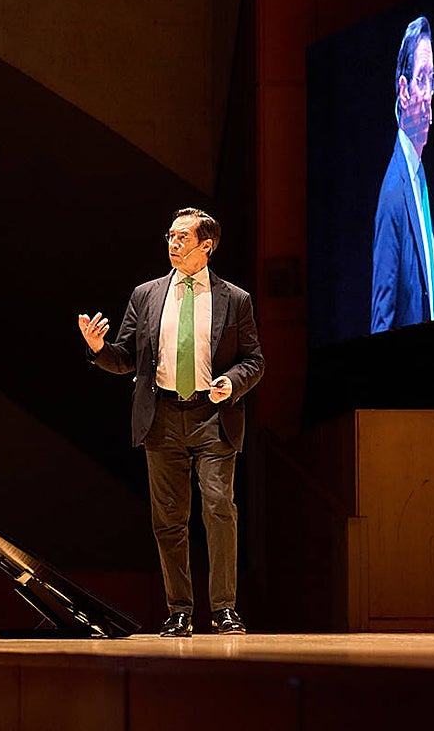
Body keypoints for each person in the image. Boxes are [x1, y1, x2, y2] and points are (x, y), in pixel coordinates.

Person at [78, 206, 265, 637]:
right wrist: (98, 348)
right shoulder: (146, 294)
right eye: (170, 235)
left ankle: (224, 610)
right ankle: (180, 610)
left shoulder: (235, 299)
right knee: (169, 519)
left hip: (212, 416)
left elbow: (254, 361)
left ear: (207, 245)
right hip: (160, 416)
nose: (173, 243)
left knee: (219, 507)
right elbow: (124, 358)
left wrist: (231, 383)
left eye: (183, 237)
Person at [371, 14, 434, 334]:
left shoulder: (418, 175)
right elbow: (382, 317)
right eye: (421, 79)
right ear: (404, 89)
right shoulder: (394, 193)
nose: (428, 94)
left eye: (432, 80)